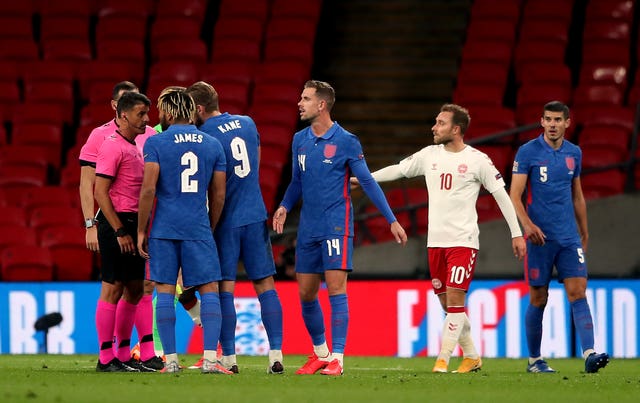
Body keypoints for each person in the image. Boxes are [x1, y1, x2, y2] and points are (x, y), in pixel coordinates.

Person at [355, 103, 526, 374]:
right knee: (449, 306)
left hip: (463, 241)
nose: (434, 127)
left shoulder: (477, 160)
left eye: (440, 123)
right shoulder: (429, 155)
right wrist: (364, 179)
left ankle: (442, 360)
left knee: (456, 303)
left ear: (456, 129)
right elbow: (399, 169)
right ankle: (472, 357)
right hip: (435, 242)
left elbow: (501, 196)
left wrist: (517, 234)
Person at [272, 80, 408, 376]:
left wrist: (391, 219)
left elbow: (368, 182)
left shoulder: (346, 141)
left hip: (336, 225)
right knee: (306, 294)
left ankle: (338, 358)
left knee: (336, 289)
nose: (299, 102)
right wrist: (284, 205)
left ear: (321, 105)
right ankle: (320, 353)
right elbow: (296, 181)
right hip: (307, 228)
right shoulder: (300, 140)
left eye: (305, 98)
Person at [186, 81, 285, 374]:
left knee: (223, 289)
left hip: (226, 219)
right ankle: (276, 355)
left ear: (200, 109)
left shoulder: (204, 135)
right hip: (255, 213)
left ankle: (229, 359)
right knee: (265, 285)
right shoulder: (247, 122)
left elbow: (208, 185)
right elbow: (255, 163)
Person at [509, 101, 610, 374]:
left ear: (567, 123)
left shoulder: (574, 153)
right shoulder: (527, 152)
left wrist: (584, 231)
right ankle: (534, 360)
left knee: (578, 291)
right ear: (541, 122)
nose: (553, 124)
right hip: (539, 238)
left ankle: (589, 354)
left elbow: (577, 195)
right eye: (548, 119)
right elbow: (514, 194)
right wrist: (527, 225)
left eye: (558, 120)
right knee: (539, 298)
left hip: (568, 237)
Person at [136, 88, 232, 374]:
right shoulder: (213, 144)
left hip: (164, 227)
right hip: (198, 226)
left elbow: (149, 189)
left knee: (164, 290)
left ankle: (172, 361)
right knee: (209, 289)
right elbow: (218, 195)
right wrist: (210, 226)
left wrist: (142, 230)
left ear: (167, 111)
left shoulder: (156, 143)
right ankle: (211, 361)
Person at [93, 91, 155, 372]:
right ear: (124, 114)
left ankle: (122, 354)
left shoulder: (134, 146)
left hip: (133, 224)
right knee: (113, 287)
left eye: (147, 113)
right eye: (141, 114)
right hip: (116, 224)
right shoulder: (112, 146)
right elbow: (100, 192)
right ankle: (105, 358)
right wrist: (119, 230)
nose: (146, 119)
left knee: (134, 288)